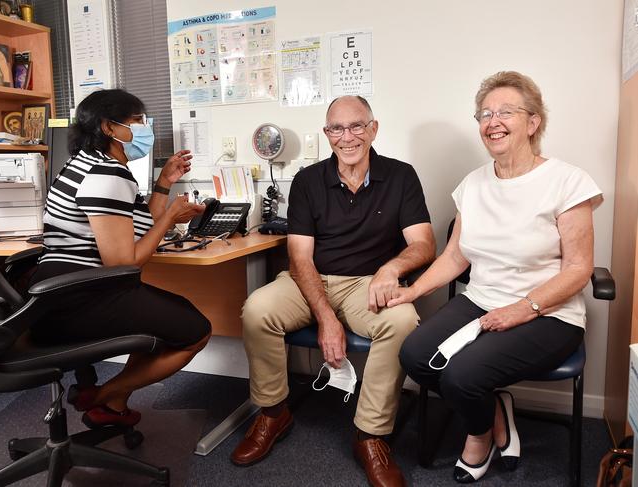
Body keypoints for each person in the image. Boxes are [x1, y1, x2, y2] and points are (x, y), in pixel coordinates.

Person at [392, 71, 603, 483]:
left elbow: (579, 268)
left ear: (533, 122)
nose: (493, 122)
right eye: (485, 114)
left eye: (506, 111)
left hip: (550, 312)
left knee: (463, 375)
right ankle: (495, 413)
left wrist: (524, 309)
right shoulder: (472, 185)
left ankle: (479, 435)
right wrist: (412, 290)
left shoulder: (567, 181)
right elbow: (455, 256)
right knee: (415, 354)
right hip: (482, 298)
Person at [231, 95, 436, 487]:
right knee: (257, 309)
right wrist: (326, 318)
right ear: (327, 135)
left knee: (403, 320)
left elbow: (424, 244)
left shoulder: (401, 175)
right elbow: (300, 258)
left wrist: (390, 268)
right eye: (337, 129)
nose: (348, 137)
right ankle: (274, 413)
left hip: (368, 282)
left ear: (373, 129)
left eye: (357, 126)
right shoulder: (308, 180)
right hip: (312, 278)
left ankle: (370, 434)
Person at [29, 88, 212, 429]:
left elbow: (138, 230)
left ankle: (112, 403)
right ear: (109, 128)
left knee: (161, 314)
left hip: (59, 295)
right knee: (196, 331)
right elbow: (124, 264)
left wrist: (162, 184)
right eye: (137, 121)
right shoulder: (106, 174)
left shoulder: (87, 165)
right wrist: (171, 218)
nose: (145, 128)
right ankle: (100, 396)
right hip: (78, 300)